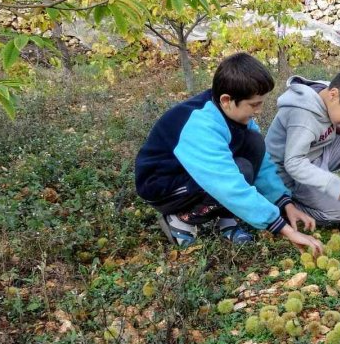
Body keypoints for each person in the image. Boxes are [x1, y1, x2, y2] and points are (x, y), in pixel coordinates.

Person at [134, 52, 323, 254]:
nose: (259, 111)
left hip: (196, 174)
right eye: (254, 104)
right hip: (164, 185)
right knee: (240, 170)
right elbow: (226, 183)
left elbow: (264, 167)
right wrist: (282, 228)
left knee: (254, 143)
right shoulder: (201, 124)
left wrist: (285, 204)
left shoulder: (235, 115)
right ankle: (180, 219)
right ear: (226, 100)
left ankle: (226, 218)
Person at [265, 67, 340, 235]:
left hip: (315, 156)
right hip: (289, 175)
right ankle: (285, 207)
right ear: (333, 94)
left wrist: (336, 126)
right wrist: (331, 184)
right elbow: (294, 163)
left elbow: (319, 123)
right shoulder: (302, 115)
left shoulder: (325, 93)